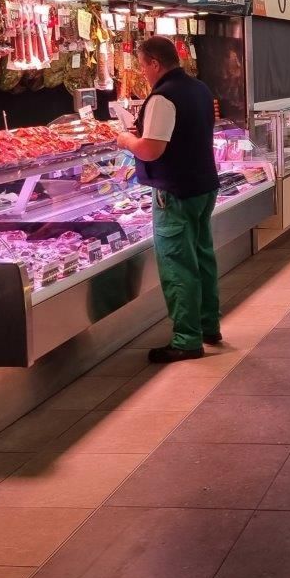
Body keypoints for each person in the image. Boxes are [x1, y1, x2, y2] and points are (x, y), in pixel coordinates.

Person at [116, 36, 221, 363]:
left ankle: (187, 339)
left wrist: (125, 139)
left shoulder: (163, 98)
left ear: (154, 64)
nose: (142, 72)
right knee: (202, 256)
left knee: (178, 265)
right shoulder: (200, 88)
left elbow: (152, 149)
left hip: (175, 192)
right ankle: (208, 325)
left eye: (142, 66)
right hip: (204, 186)